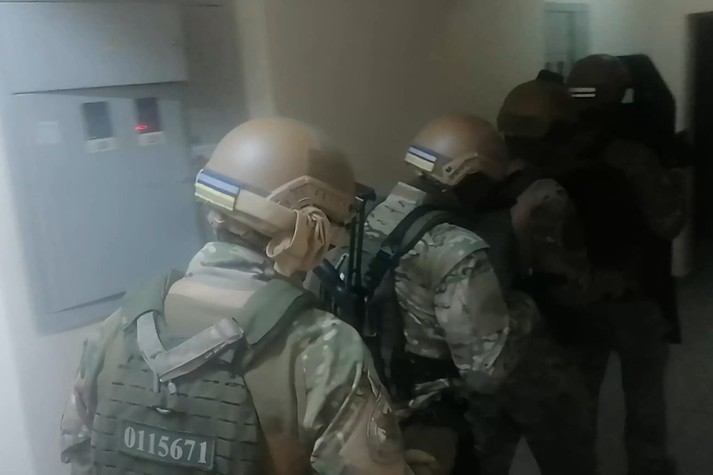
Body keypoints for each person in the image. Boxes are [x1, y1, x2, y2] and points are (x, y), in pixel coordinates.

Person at [59, 117, 429, 475]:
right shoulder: (324, 347)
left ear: (214, 208)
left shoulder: (117, 327)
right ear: (309, 229)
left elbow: (80, 455)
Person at [563, 54, 685, 475]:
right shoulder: (632, 154)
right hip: (634, 294)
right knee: (644, 389)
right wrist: (678, 175)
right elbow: (669, 222)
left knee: (579, 394)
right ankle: (647, 466)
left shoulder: (554, 149)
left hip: (574, 293)